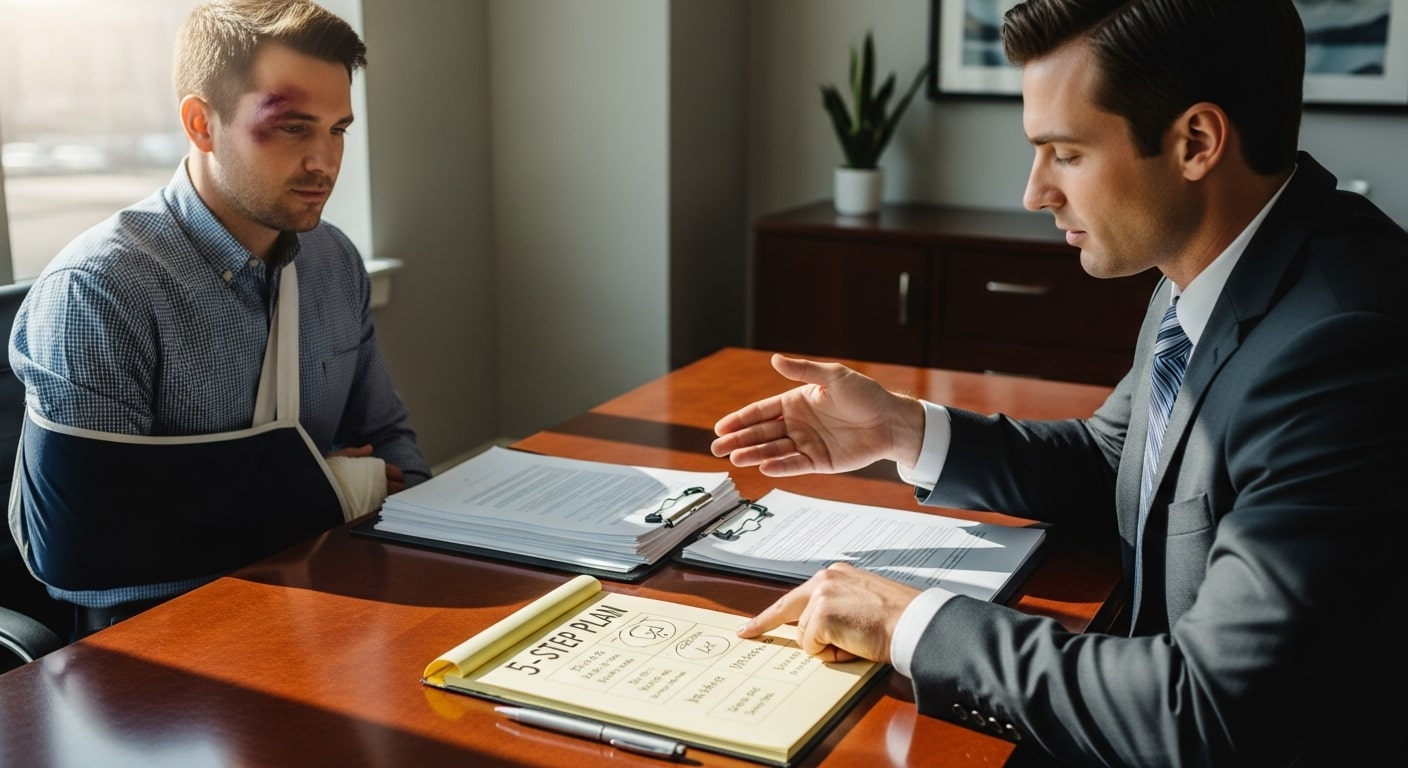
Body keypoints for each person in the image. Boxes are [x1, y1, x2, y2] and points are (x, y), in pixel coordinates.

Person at [711, 1, 1407, 764]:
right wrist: (902, 431)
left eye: (1065, 154)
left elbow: (1209, 708)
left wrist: (907, 622)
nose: (1035, 192)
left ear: (1196, 142)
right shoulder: (1218, 267)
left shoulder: (1342, 344)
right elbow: (1121, 462)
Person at [6, 0, 429, 637]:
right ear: (202, 123)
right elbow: (84, 553)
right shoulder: (98, 292)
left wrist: (338, 488)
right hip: (158, 649)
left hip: (331, 605)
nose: (325, 162)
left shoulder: (333, 259)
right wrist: (336, 487)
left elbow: (399, 458)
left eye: (337, 129)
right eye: (292, 128)